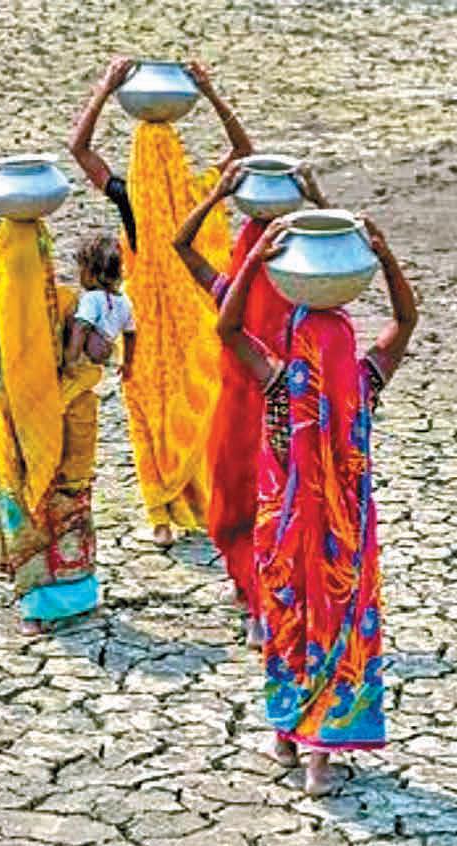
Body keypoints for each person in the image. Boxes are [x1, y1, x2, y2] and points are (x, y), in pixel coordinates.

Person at [214, 214, 418, 795]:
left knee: (287, 625)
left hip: (281, 534)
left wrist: (253, 264)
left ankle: (285, 735)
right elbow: (405, 320)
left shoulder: (280, 384)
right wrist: (383, 257)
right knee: (335, 630)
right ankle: (318, 764)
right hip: (342, 542)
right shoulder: (363, 385)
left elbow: (227, 331)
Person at [68, 57, 252, 547]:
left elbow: (79, 149)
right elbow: (244, 152)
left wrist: (105, 89)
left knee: (148, 410)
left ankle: (161, 514)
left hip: (143, 326)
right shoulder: (197, 194)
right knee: (196, 404)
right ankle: (198, 499)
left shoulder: (128, 196)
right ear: (178, 156)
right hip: (192, 319)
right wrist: (210, 94)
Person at [173, 162, 329, 648]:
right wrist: (318, 203)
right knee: (284, 512)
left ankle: (257, 604)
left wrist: (218, 194)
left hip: (244, 418)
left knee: (242, 511)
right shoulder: (305, 305)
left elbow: (182, 245)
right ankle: (269, 604)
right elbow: (341, 259)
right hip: (291, 417)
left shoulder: (230, 303)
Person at [0, 163, 104, 635]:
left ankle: (35, 608)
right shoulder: (66, 300)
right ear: (45, 256)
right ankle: (76, 594)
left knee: (27, 508)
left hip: (15, 424)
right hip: (68, 420)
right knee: (68, 503)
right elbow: (101, 353)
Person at [65, 233, 136, 379]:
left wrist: (72, 361)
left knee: (70, 316)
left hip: (93, 347)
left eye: (81, 270)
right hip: (108, 349)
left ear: (91, 274)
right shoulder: (125, 301)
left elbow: (82, 327)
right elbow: (130, 334)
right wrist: (128, 363)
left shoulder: (92, 298)